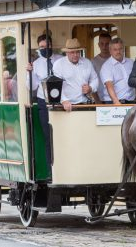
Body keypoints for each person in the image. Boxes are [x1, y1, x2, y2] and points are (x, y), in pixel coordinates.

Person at [26, 34, 62, 177]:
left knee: (61, 137)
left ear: (51, 45)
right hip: (43, 102)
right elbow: (32, 86)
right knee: (48, 137)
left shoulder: (60, 60)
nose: (44, 49)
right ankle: (50, 171)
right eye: (41, 47)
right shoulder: (36, 64)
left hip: (60, 102)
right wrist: (29, 72)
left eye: (46, 46)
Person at [53, 38, 99, 112]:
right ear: (66, 53)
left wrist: (90, 88)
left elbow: (94, 79)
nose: (75, 55)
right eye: (72, 52)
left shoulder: (87, 62)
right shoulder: (58, 64)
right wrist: (63, 100)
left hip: (85, 103)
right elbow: (56, 85)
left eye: (77, 52)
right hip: (66, 105)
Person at [99, 38, 136, 104]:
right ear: (110, 51)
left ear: (123, 49)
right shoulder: (106, 66)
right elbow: (109, 85)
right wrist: (116, 101)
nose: (118, 52)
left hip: (131, 101)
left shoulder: (131, 62)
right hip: (114, 102)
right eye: (115, 49)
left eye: (120, 49)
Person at [91, 32, 111, 103]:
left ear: (110, 45)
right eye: (102, 44)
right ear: (98, 45)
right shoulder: (93, 62)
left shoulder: (116, 60)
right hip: (99, 99)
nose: (104, 46)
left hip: (115, 99)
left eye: (107, 44)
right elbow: (91, 82)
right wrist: (97, 100)